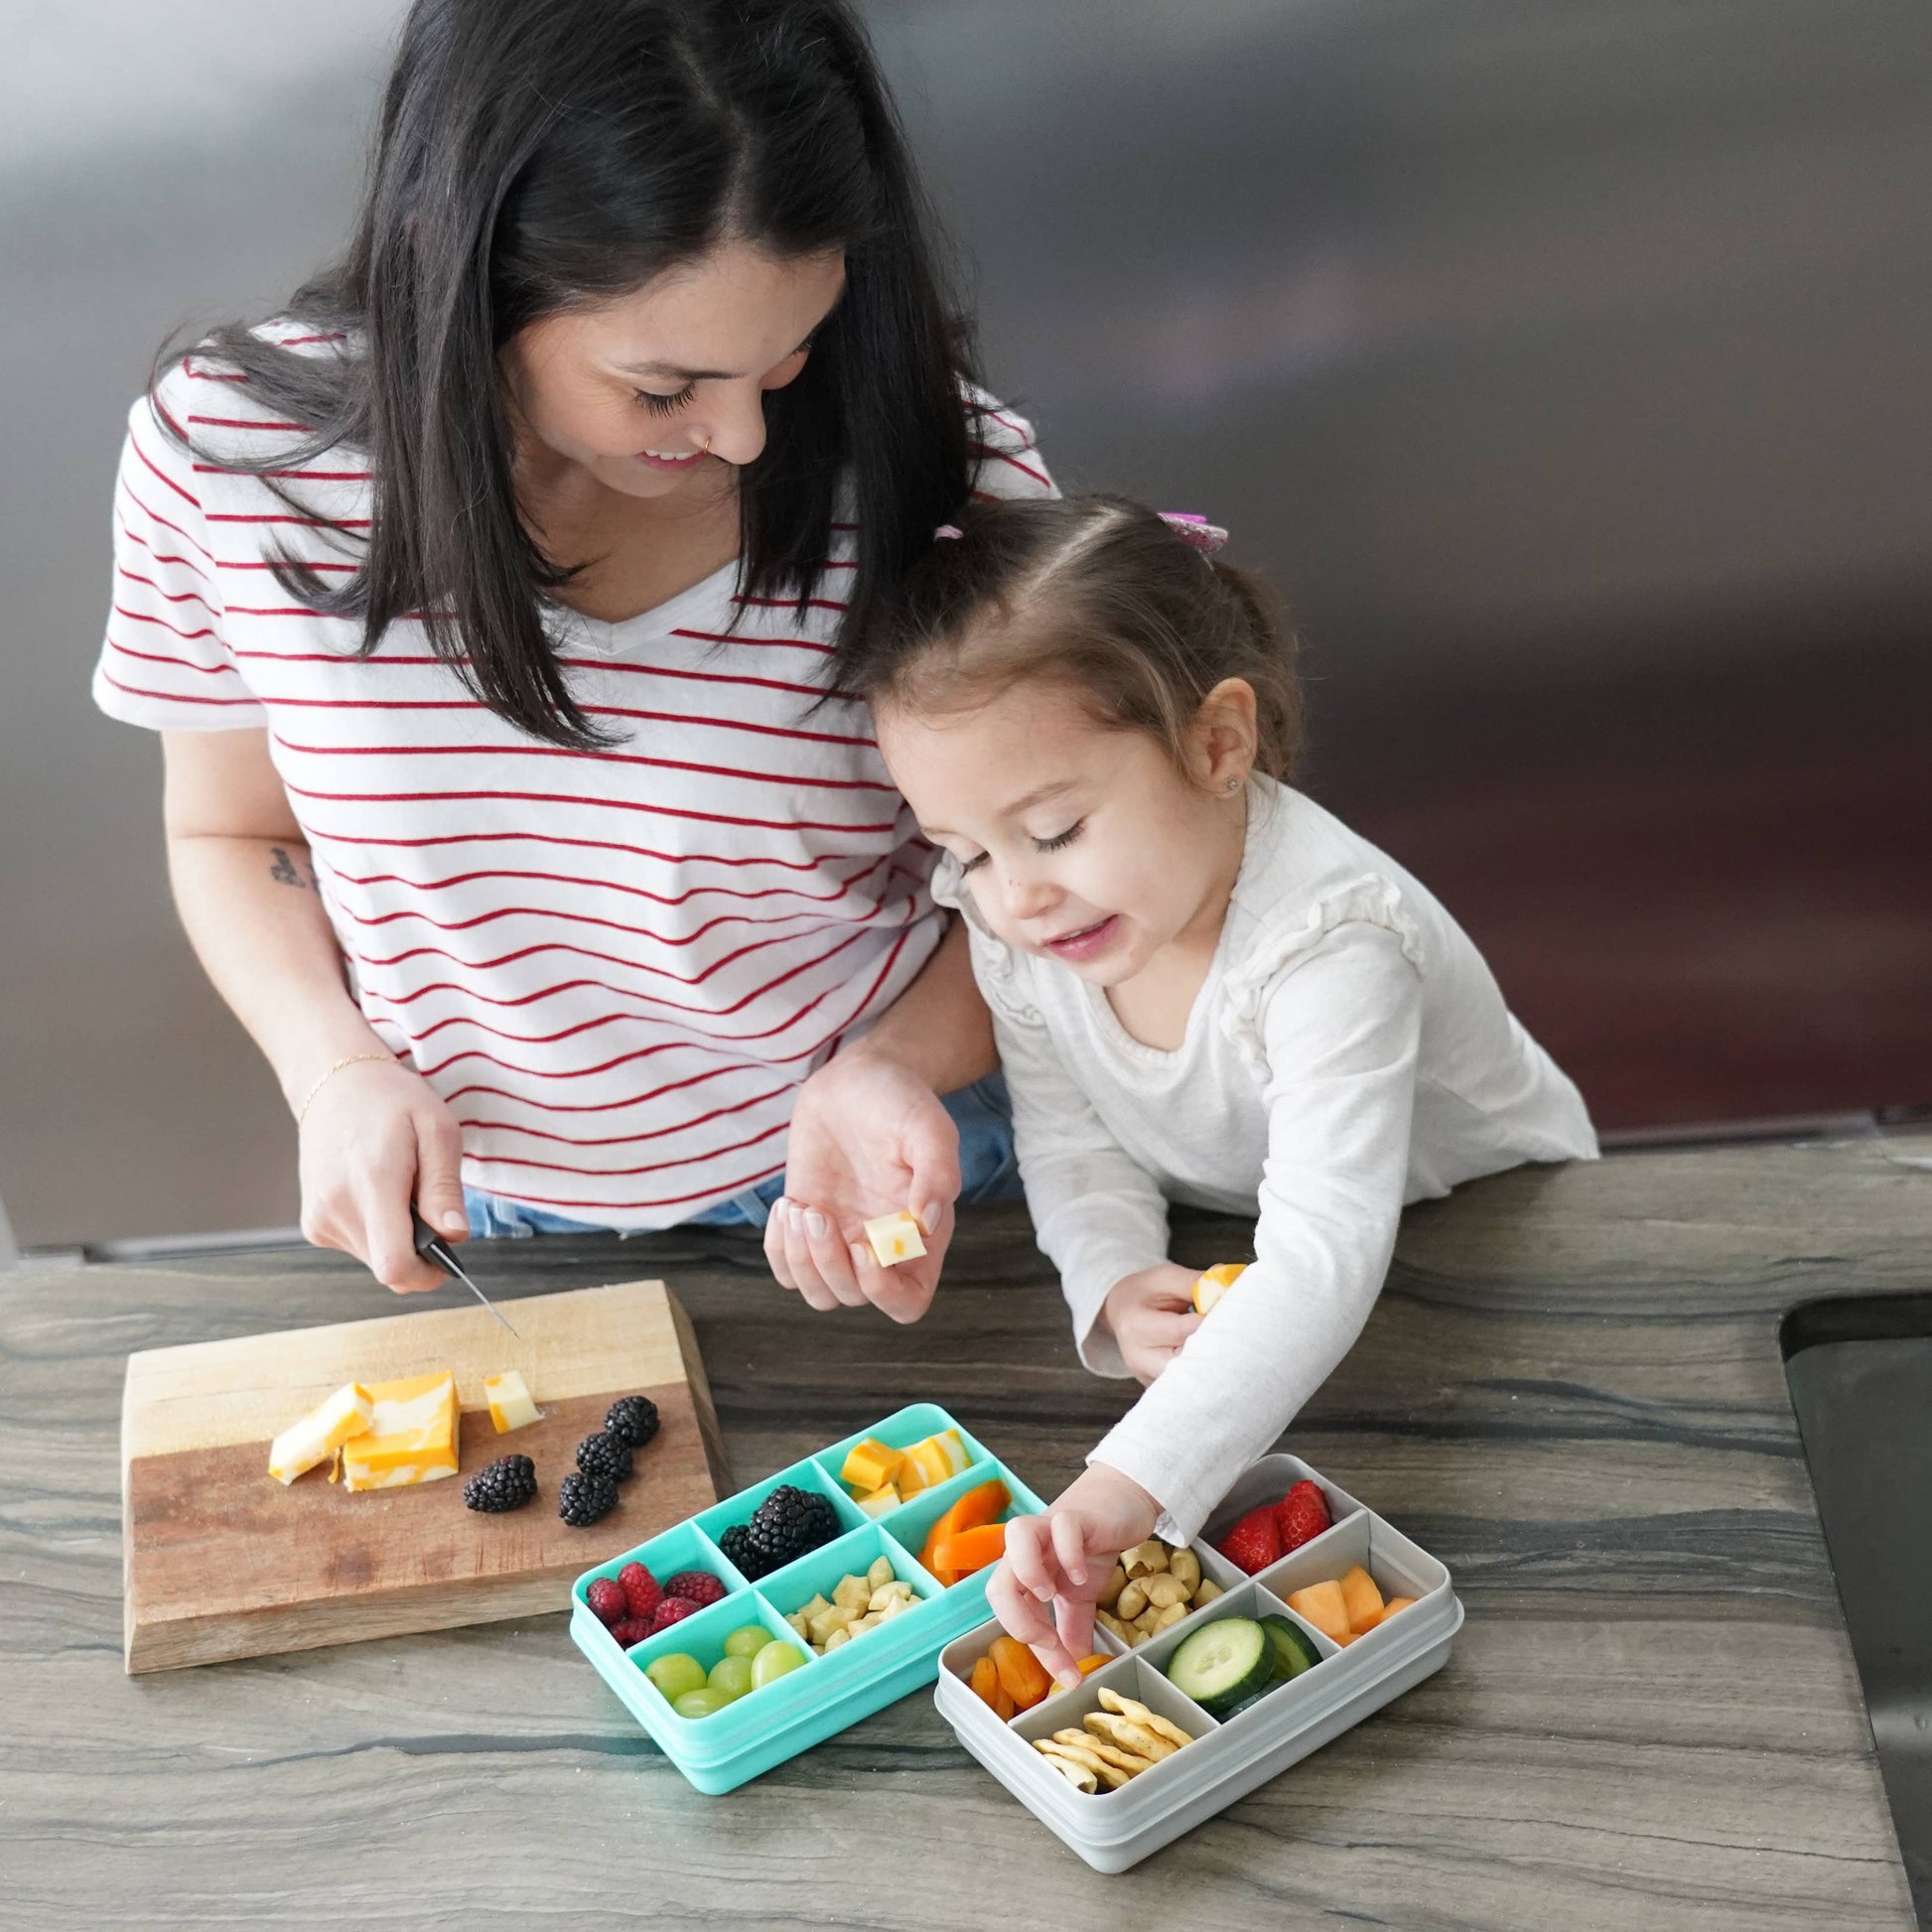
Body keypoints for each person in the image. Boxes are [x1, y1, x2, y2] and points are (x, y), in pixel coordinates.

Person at [92, 0, 1052, 1303]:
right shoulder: (236, 467)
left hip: (885, 1161)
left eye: (787, 359)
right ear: (465, 266)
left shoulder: (950, 477)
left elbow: (1049, 882)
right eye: (662, 389)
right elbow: (228, 830)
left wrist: (889, 1067)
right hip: (482, 1213)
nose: (744, 439)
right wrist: (331, 1066)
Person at [847, 494, 1598, 1683]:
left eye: (1052, 828)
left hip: (1494, 1234)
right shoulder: (1028, 929)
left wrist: (1123, 1486)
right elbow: (1071, 1135)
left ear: (1214, 743)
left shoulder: (1331, 941)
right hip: (1290, 1257)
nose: (1012, 897)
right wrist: (1105, 1280)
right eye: (970, 850)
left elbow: (1318, 1259)